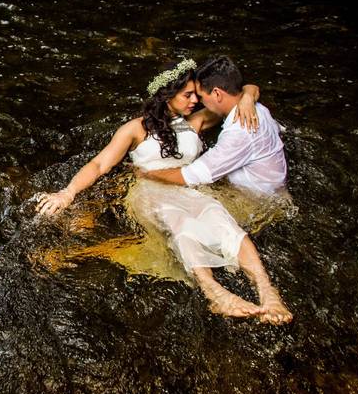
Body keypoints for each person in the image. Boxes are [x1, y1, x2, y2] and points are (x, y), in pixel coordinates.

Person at [36, 58, 292, 324]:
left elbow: (234, 93)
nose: (196, 100)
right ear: (167, 95)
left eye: (197, 94)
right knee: (181, 226)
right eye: (188, 94)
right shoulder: (135, 129)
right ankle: (214, 292)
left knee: (221, 218)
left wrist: (249, 96)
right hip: (151, 193)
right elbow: (99, 164)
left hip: (190, 190)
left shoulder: (195, 121)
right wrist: (67, 192)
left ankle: (268, 291)